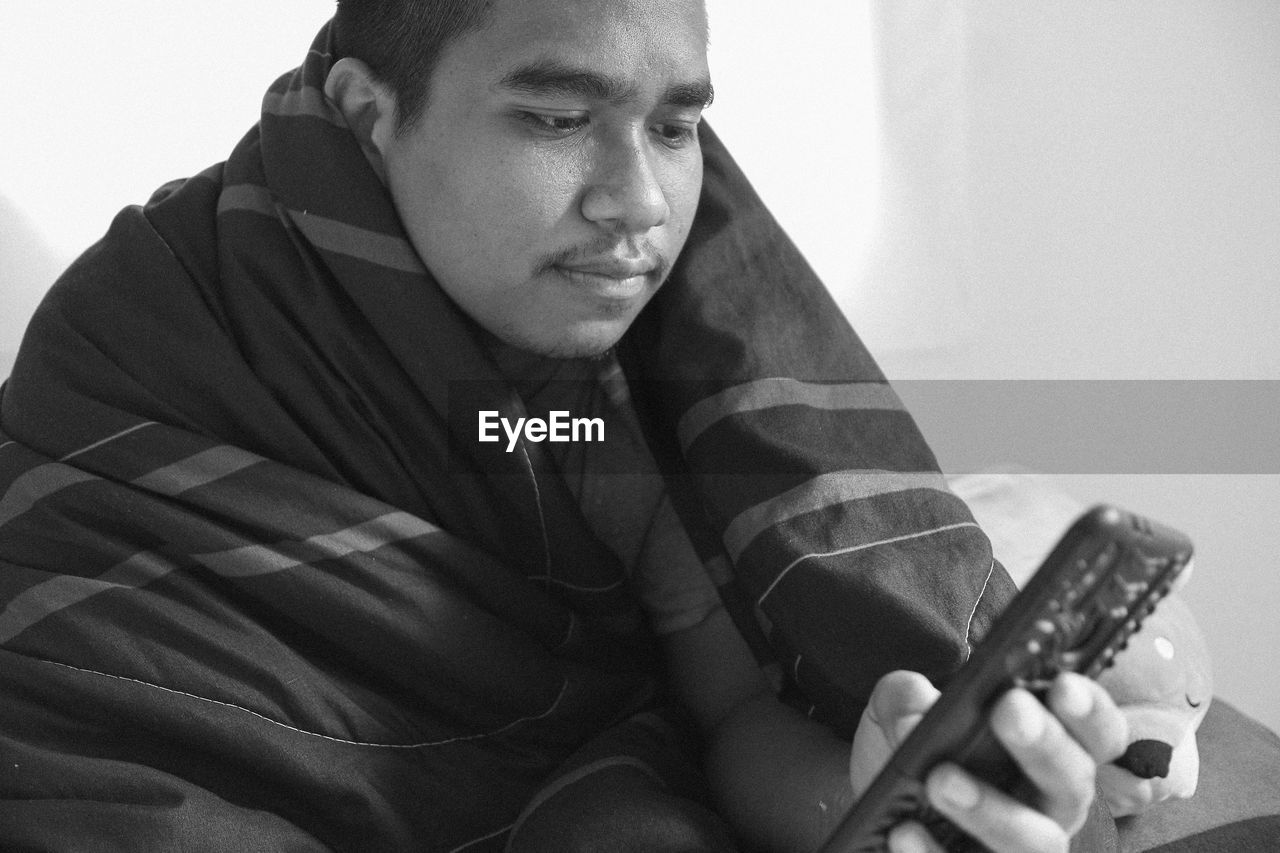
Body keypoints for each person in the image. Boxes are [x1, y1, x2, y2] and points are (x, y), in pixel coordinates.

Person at [0, 1, 1183, 851]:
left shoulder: (610, 393)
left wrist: (873, 795)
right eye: (559, 117)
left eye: (674, 129)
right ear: (369, 113)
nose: (642, 204)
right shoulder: (159, 324)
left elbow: (722, 715)